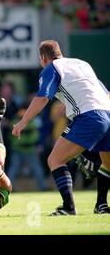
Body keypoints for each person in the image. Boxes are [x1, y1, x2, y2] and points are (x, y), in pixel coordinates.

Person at [12, 40, 110, 215]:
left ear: (43, 58)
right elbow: (104, 91)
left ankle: (68, 207)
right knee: (108, 164)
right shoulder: (82, 63)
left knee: (55, 160)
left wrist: (22, 122)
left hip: (89, 115)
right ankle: (101, 205)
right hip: (107, 113)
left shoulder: (51, 67)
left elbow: (42, 97)